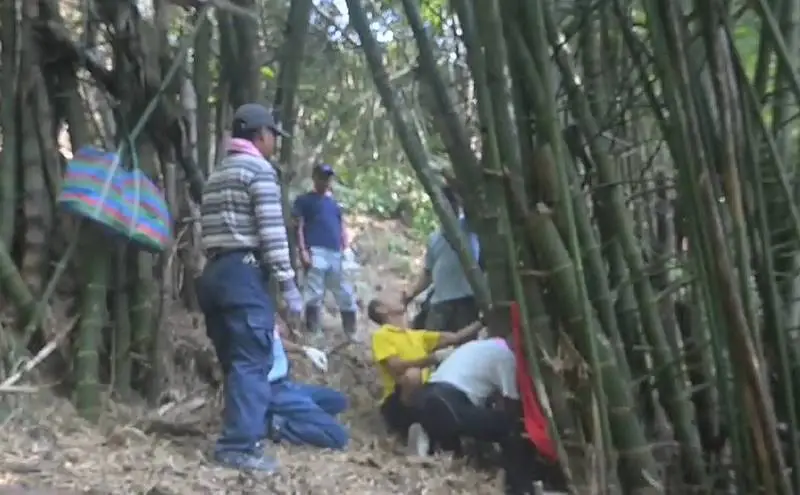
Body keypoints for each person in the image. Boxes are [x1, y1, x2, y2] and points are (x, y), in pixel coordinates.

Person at [197, 102, 302, 472]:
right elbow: (271, 232)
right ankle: (238, 446)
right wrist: (288, 284)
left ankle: (241, 434)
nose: (275, 142)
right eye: (273, 135)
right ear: (260, 135)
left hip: (214, 274)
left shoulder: (217, 173)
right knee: (251, 362)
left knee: (234, 361)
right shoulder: (258, 170)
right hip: (243, 274)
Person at [367, 295, 482, 447]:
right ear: (381, 309)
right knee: (413, 375)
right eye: (390, 296)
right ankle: (407, 424)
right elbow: (395, 366)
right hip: (397, 401)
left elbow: (456, 337)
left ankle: (425, 435)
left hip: (426, 395)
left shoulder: (417, 335)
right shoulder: (381, 335)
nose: (398, 295)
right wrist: (431, 359)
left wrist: (482, 322)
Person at [403, 185, 481, 332]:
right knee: (432, 341)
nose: (450, 208)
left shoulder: (468, 226)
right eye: (445, 204)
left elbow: (476, 211)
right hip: (440, 302)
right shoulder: (434, 238)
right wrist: (411, 293)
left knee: (465, 343)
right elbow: (428, 273)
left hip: (466, 301)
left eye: (453, 204)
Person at [292, 164, 358, 338]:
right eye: (322, 177)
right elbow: (299, 226)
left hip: (335, 253)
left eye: (328, 178)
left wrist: (346, 247)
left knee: (344, 291)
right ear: (314, 178)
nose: (325, 181)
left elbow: (341, 226)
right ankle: (313, 330)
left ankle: (350, 330)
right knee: (314, 291)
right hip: (315, 250)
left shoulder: (333, 204)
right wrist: (303, 250)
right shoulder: (304, 200)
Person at [264, 318, 349, 450]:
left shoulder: (262, 313)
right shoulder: (247, 317)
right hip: (268, 388)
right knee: (338, 438)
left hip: (284, 384)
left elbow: (275, 341)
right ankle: (278, 425)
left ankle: (295, 414)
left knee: (338, 401)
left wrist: (304, 349)